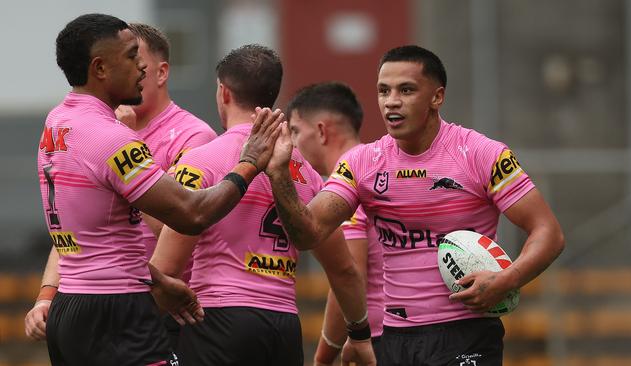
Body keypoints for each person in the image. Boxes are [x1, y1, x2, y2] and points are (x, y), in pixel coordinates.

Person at [266, 45, 565, 365]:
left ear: (437, 97)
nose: (391, 101)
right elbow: (308, 232)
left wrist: (507, 279)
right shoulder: (362, 163)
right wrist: (279, 174)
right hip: (395, 340)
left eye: (406, 90)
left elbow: (548, 232)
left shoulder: (481, 153)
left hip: (467, 334)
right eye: (383, 91)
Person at [34, 14, 282, 366]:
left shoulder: (57, 121)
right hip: (117, 312)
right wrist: (249, 163)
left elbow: (98, 239)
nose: (140, 68)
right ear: (100, 68)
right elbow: (192, 214)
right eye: (131, 56)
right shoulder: (113, 138)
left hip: (73, 304)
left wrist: (155, 280)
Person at [150, 45, 375, 366]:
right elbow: (343, 270)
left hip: (217, 319)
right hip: (283, 325)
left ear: (224, 92)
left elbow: (165, 268)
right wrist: (359, 334)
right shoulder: (305, 171)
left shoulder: (202, 160)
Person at [24, 23, 218, 347]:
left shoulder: (192, 137)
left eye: (138, 59)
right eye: (129, 59)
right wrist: (46, 296)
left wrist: (147, 296)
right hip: (113, 304)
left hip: (157, 308)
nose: (137, 68)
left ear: (161, 72)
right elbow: (76, 224)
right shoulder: (94, 131)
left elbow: (177, 227)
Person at [285, 82, 384, 365]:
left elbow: (349, 272)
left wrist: (323, 356)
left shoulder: (347, 183)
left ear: (321, 130)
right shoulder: (378, 166)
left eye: (295, 131)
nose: (291, 144)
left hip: (377, 339)